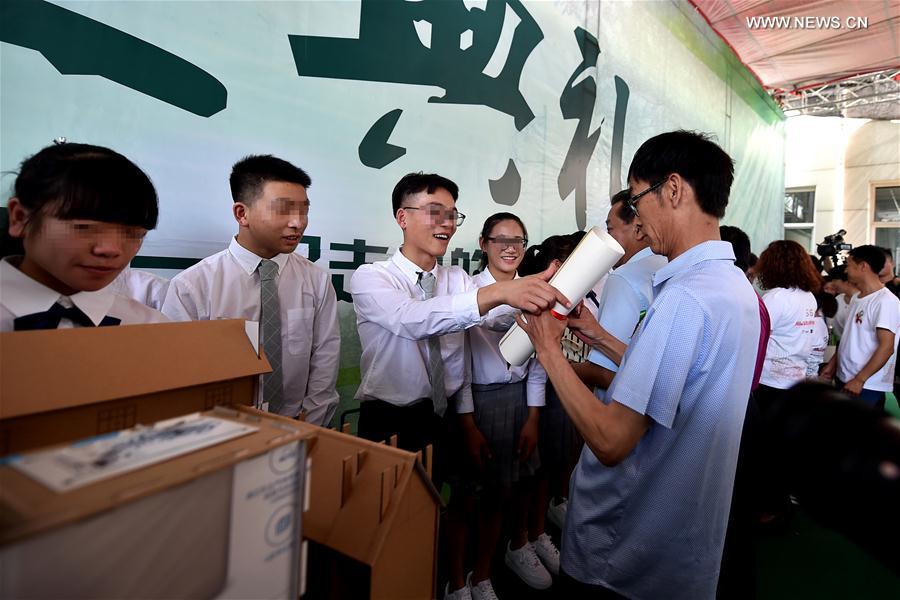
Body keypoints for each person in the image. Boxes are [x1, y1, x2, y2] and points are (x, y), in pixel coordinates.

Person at [516, 130, 760, 599]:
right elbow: (679, 380)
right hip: (678, 546)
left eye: (635, 198)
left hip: (625, 551)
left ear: (672, 189)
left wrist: (547, 346)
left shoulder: (685, 297)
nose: (635, 216)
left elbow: (611, 441)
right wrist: (602, 337)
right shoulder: (730, 287)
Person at [347, 173, 566, 600]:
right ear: (402, 217)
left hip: (444, 414)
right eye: (435, 212)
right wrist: (506, 292)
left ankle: (454, 584)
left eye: (452, 214)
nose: (446, 223)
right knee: (391, 524)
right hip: (392, 419)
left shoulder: (457, 280)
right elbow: (414, 320)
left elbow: (487, 329)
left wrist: (536, 296)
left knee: (457, 505)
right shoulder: (372, 278)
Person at [161, 155, 340, 426]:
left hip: (299, 425)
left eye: (304, 210)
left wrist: (310, 425)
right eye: (284, 209)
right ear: (242, 214)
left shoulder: (316, 279)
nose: (298, 222)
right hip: (220, 430)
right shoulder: (193, 286)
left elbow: (325, 355)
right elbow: (178, 374)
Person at [460, 213, 556, 598]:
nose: (510, 247)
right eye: (499, 240)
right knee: (477, 495)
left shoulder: (535, 290)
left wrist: (534, 415)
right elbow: (458, 365)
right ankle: (472, 575)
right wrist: (467, 420)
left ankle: (514, 551)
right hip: (479, 403)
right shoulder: (467, 292)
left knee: (517, 487)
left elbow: (536, 363)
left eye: (518, 239)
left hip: (521, 402)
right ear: (483, 244)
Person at [1, 141, 167, 331]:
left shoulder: (151, 327)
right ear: (19, 218)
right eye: (84, 227)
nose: (111, 249)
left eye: (134, 233)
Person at [822, 245, 900, 410]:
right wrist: (833, 364)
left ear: (863, 266)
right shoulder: (858, 298)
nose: (846, 271)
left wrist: (860, 380)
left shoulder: (886, 301)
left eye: (849, 265)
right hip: (847, 377)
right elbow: (849, 337)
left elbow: (887, 347)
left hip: (866, 384)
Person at [753, 240, 823, 411]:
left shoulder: (776, 298)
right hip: (796, 381)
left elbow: (756, 339)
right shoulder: (808, 297)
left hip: (768, 381)